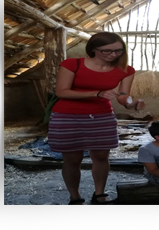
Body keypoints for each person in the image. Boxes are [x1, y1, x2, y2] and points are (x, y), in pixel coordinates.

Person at [47, 32, 145, 205]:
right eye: (106, 51)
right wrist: (97, 93)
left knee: (101, 156)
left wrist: (132, 104)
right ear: (93, 49)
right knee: (72, 159)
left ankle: (99, 194)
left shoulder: (125, 70)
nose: (113, 55)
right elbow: (62, 91)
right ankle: (75, 197)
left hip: (101, 116)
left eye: (118, 51)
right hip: (67, 115)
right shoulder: (72, 64)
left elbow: (123, 96)